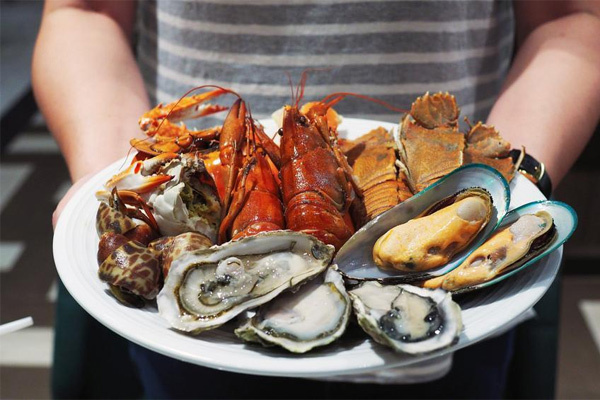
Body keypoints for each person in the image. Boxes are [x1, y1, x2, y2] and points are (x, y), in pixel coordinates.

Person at [33, 0, 600, 398]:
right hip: (192, 336)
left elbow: (571, 17)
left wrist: (515, 181)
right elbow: (85, 11)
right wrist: (108, 180)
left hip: (459, 327)